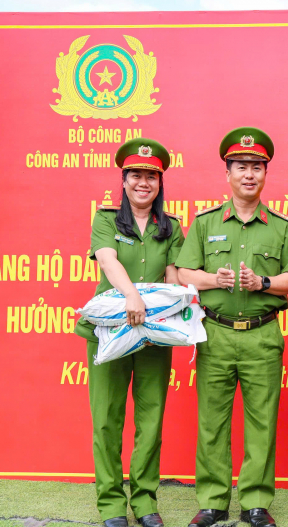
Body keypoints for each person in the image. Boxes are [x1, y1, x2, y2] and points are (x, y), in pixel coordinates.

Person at [177, 127, 288, 527]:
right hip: (214, 332)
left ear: (266, 174)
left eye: (256, 167)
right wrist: (214, 279)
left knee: (262, 421)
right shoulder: (204, 222)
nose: (249, 174)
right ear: (228, 174)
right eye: (241, 167)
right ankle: (214, 500)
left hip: (262, 333)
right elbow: (184, 271)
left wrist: (263, 283)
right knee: (212, 421)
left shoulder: (282, 227)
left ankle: (255, 501)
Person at [74, 138, 184, 527]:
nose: (143, 182)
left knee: (151, 420)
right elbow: (107, 260)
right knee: (106, 419)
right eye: (136, 174)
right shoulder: (105, 219)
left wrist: (185, 303)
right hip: (110, 332)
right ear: (124, 181)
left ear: (159, 183)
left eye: (151, 176)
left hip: (155, 334)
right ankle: (110, 505)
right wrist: (132, 296)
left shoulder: (171, 227)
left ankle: (145, 502)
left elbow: (172, 276)